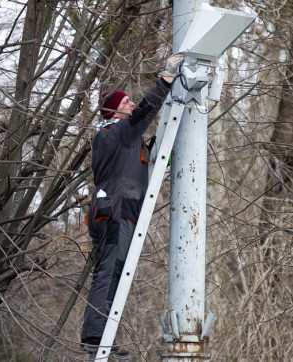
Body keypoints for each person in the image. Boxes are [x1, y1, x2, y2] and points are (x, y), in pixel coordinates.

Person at [81, 54, 184, 360]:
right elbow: (143, 113)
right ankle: (97, 336)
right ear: (113, 111)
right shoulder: (117, 132)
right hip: (117, 208)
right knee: (111, 270)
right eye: (124, 103)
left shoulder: (116, 139)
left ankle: (100, 334)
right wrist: (165, 79)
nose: (130, 105)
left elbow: (145, 154)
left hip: (109, 208)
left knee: (109, 270)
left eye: (129, 102)